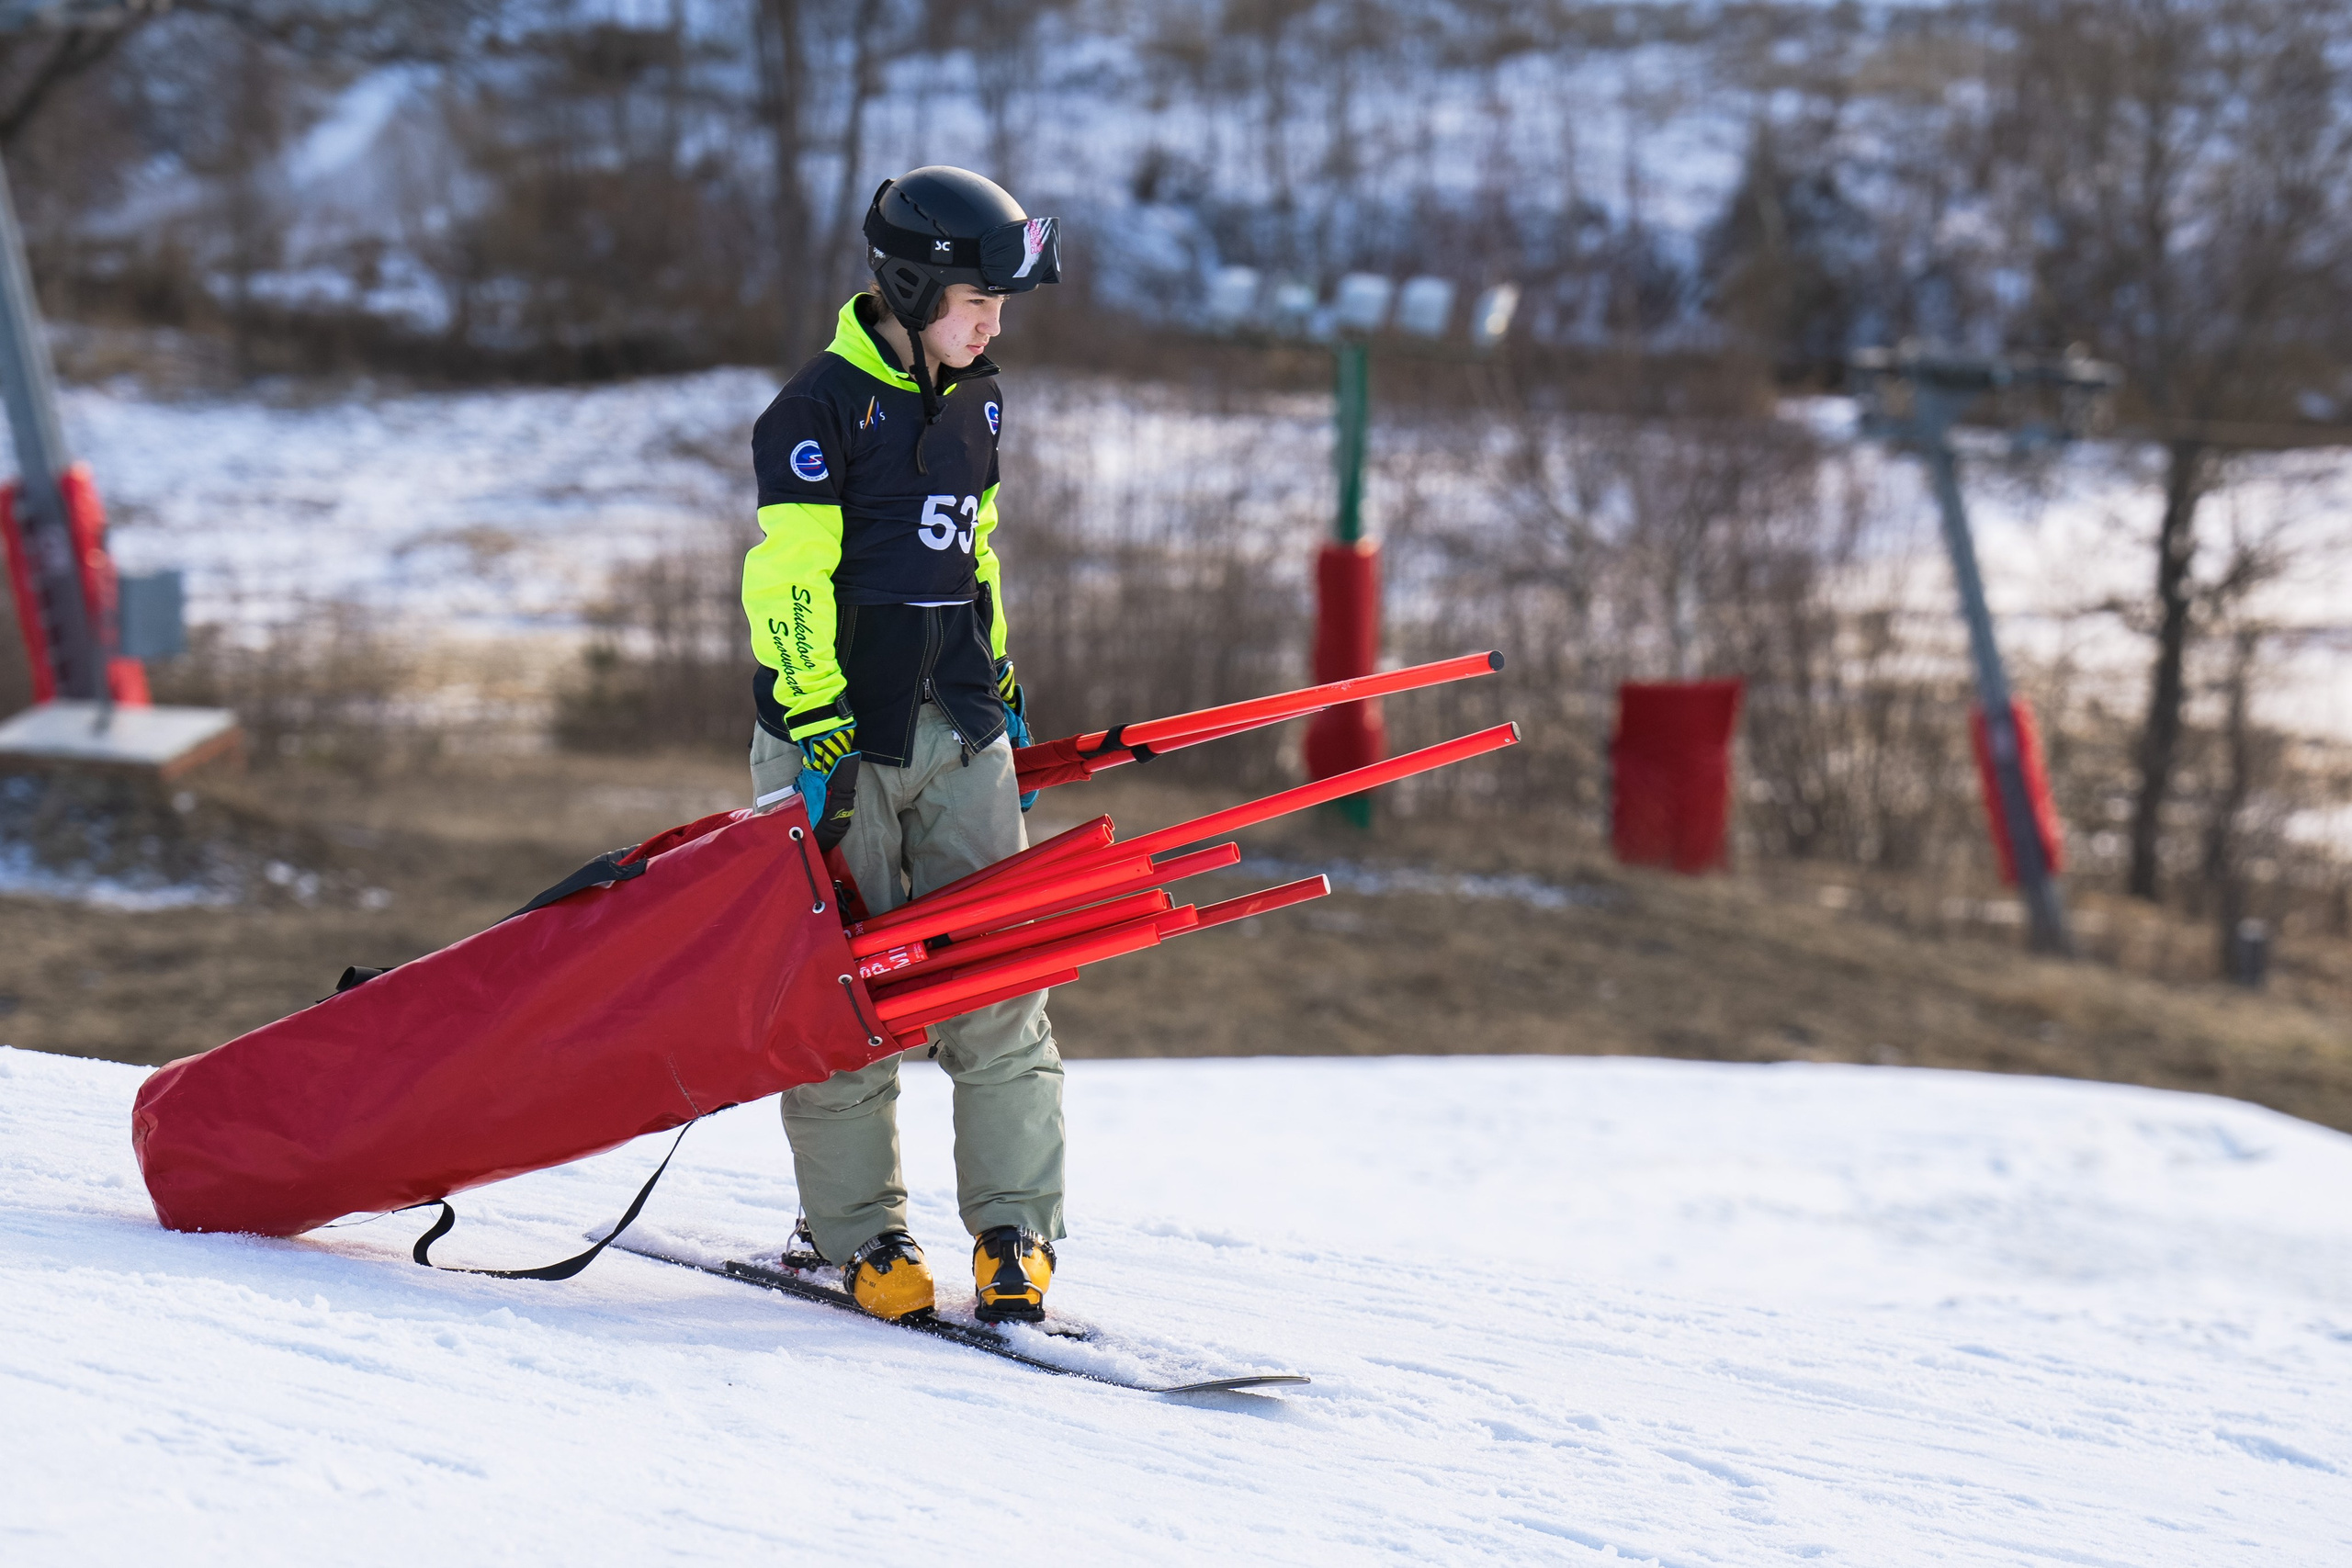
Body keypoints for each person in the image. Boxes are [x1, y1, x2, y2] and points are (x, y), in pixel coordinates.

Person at [741, 166, 1064, 1325]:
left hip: (960, 732)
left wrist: (1003, 677)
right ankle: (860, 1234)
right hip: (839, 746)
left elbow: (973, 555)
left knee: (1001, 986)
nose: (991, 326)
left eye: (999, 310)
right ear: (913, 284)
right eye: (979, 302)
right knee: (844, 1006)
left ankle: (1015, 1229)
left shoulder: (977, 399)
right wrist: (815, 704)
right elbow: (783, 576)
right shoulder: (816, 411)